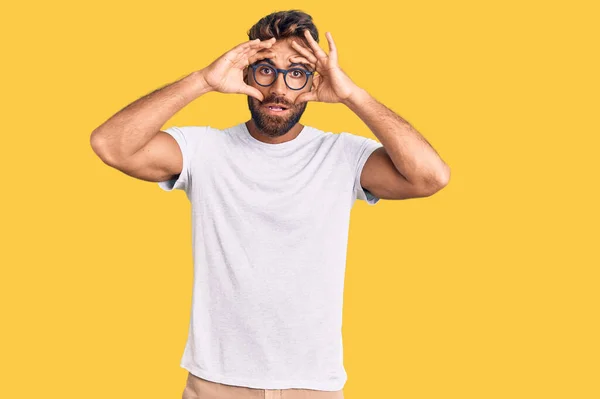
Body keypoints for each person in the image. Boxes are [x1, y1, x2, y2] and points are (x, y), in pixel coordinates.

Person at [90, 9, 450, 399]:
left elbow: (431, 177)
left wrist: (352, 95)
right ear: (246, 74)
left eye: (296, 72)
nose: (280, 88)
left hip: (312, 385)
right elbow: (111, 145)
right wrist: (203, 81)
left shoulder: (341, 154)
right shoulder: (204, 150)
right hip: (216, 383)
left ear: (314, 81)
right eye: (266, 69)